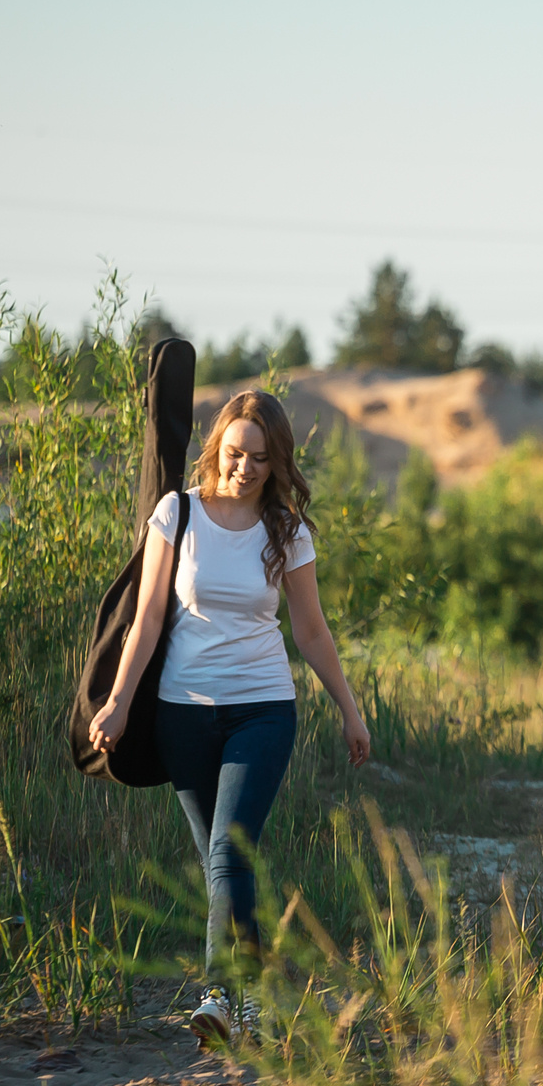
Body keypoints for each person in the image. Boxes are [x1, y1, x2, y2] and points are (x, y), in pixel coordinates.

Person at [89, 389, 371, 1042]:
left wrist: (350, 711)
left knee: (227, 851)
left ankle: (220, 994)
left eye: (261, 458)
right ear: (217, 445)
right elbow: (149, 616)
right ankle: (250, 1002)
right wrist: (120, 700)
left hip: (263, 710)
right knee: (224, 866)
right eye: (237, 452)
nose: (245, 467)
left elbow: (312, 631)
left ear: (277, 464)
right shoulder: (176, 513)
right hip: (181, 714)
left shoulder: (287, 530)